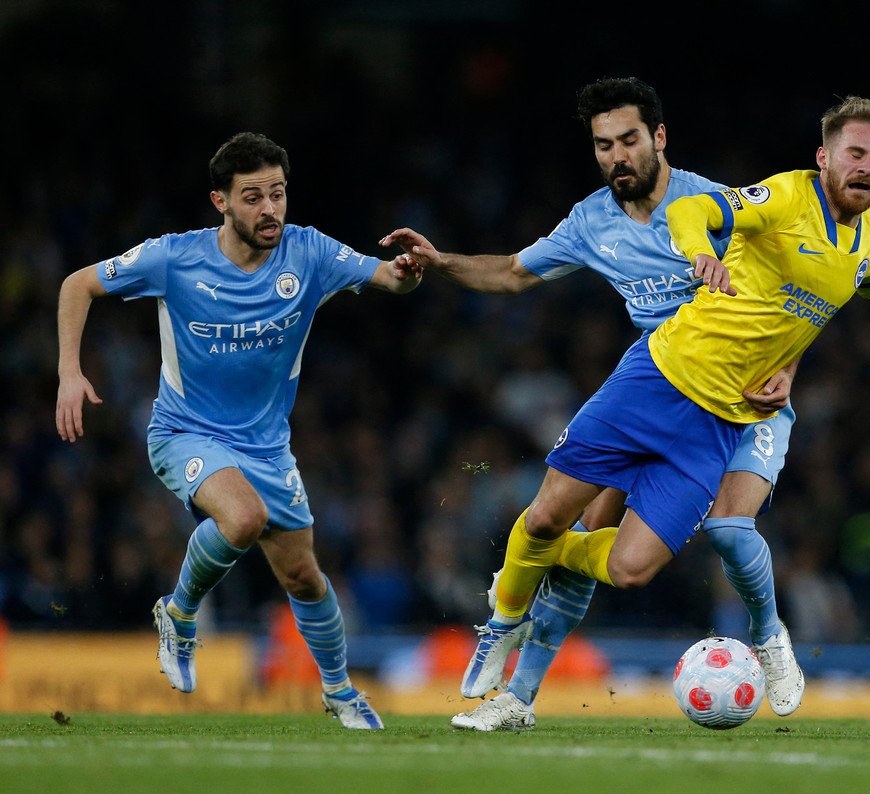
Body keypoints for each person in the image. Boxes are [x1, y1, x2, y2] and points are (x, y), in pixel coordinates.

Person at [381, 77, 806, 731]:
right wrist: (439, 262)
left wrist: (787, 365)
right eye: (603, 145)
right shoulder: (591, 221)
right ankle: (516, 698)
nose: (617, 157)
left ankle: (770, 638)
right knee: (584, 538)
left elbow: (795, 287)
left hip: (744, 404)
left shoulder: (717, 208)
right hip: (657, 392)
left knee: (726, 528)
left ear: (659, 138)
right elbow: (513, 272)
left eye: (629, 140)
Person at [55, 132, 423, 730]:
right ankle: (179, 614)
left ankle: (338, 690)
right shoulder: (173, 258)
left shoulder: (309, 254)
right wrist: (70, 373)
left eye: (277, 194)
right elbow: (79, 284)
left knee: (304, 576)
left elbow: (390, 279)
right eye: (252, 197)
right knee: (243, 519)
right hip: (185, 432)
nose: (270, 209)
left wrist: (407, 271)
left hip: (267, 446)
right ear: (220, 202)